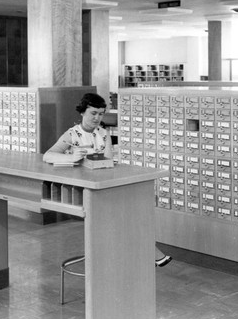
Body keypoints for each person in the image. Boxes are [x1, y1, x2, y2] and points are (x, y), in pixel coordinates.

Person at [43, 92, 172, 268]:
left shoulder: (103, 134)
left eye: (101, 114)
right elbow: (48, 155)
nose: (97, 118)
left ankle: (144, 254)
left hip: (103, 186)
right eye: (93, 113)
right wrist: (72, 158)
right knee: (122, 215)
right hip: (83, 190)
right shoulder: (72, 134)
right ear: (82, 112)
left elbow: (109, 163)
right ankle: (149, 253)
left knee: (131, 210)